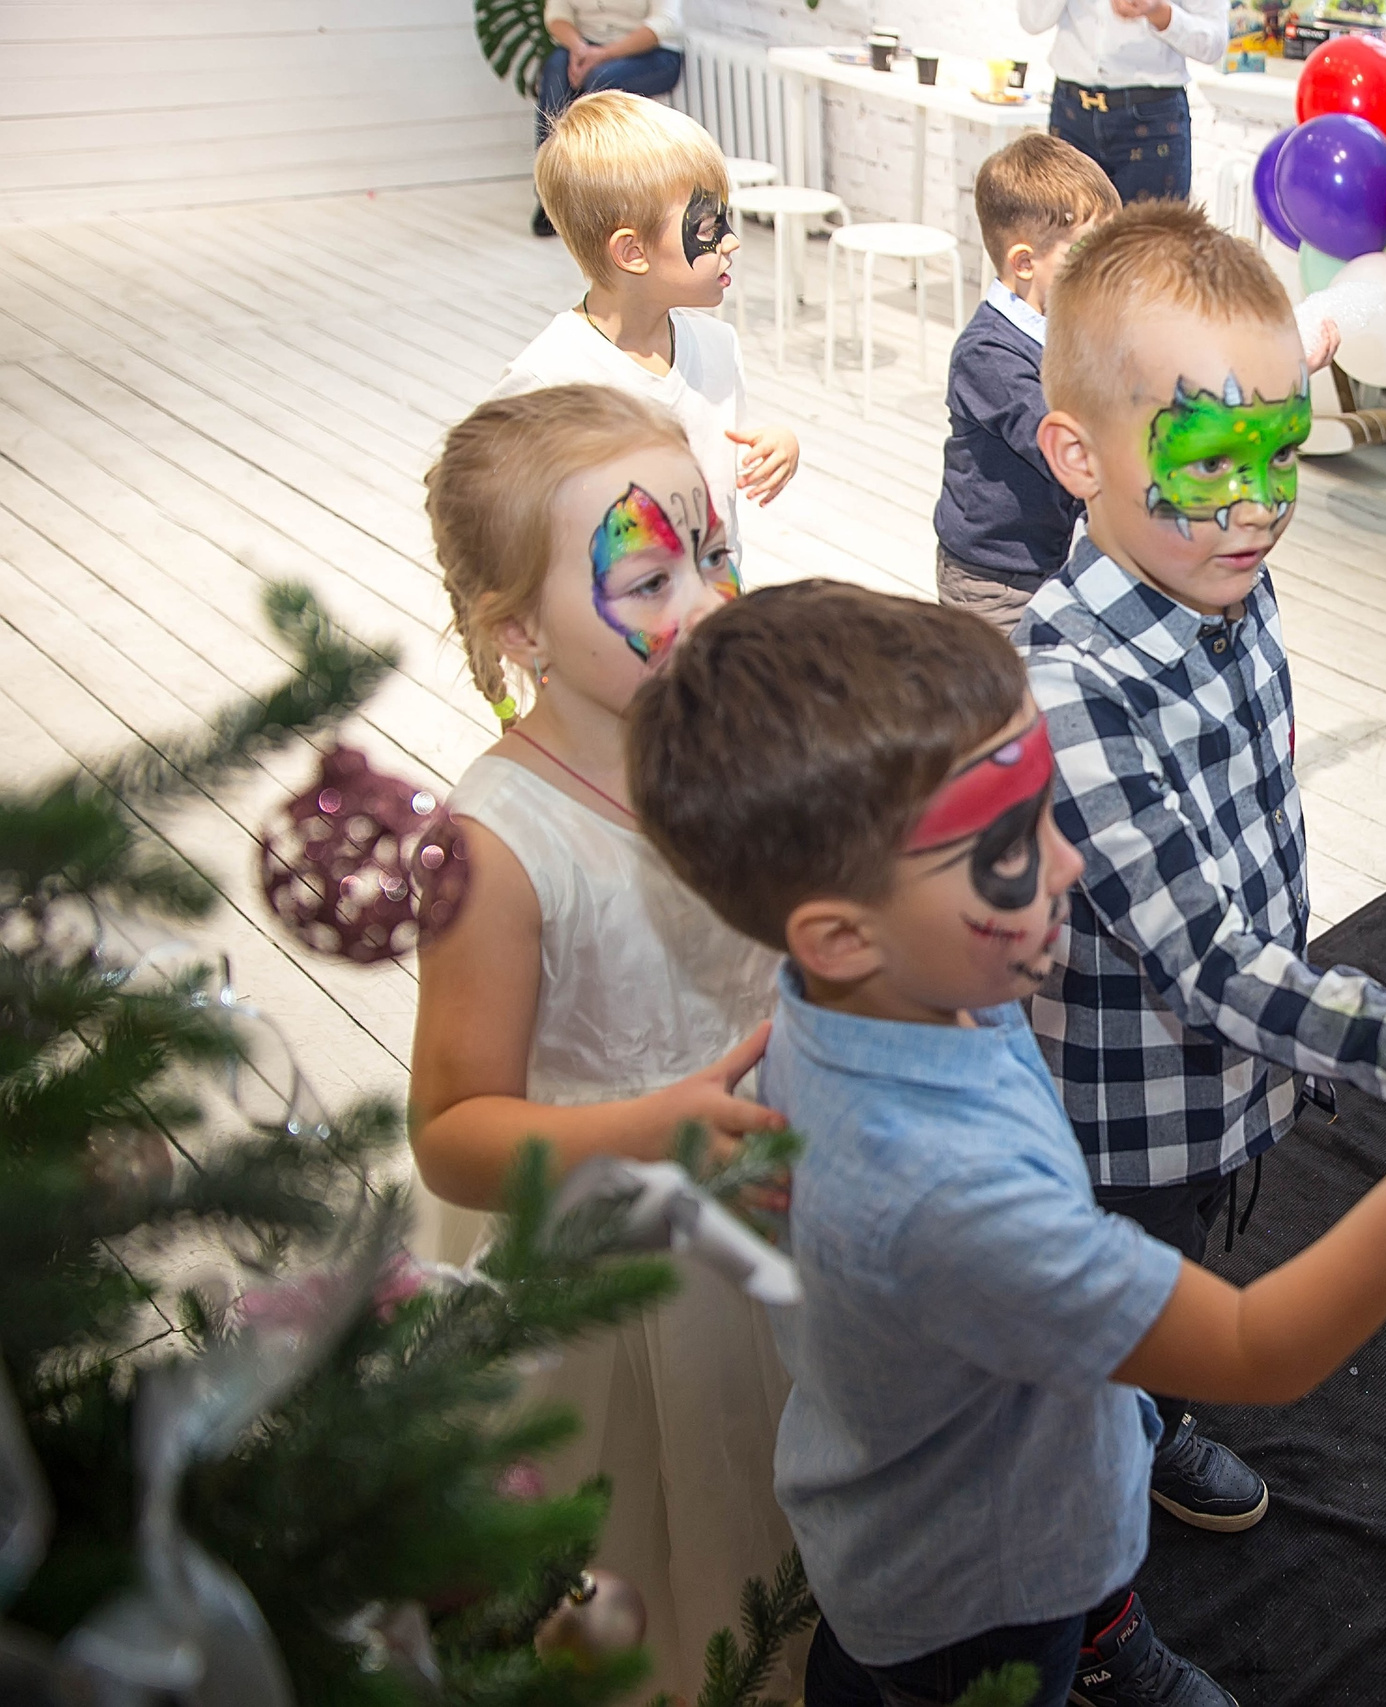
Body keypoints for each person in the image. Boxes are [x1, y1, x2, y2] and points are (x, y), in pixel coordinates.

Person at [622, 579, 1386, 1707]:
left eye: (1047, 810)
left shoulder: (884, 986)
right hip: (981, 1601)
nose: (1066, 864)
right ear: (840, 932)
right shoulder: (946, 1194)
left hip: (913, 1511)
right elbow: (1257, 1348)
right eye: (1006, 849)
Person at [1016, 201, 1386, 1529]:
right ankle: (1087, 1564)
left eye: (1277, 448)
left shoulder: (1224, 576)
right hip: (1121, 1124)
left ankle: (1157, 1414)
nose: (1256, 504)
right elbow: (1212, 965)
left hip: (1225, 1095)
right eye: (1206, 457)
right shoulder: (1063, 685)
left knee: (1181, 1282)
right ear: (1077, 454)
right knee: (1108, 1330)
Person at [411, 384, 798, 1701]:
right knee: (669, 1561)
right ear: (517, 626)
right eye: (646, 571)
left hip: (781, 1192)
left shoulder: (722, 740)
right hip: (622, 1265)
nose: (701, 596)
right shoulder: (496, 846)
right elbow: (455, 1133)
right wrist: (650, 1127)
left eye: (715, 549)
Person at [496, 91, 800, 543]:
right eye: (707, 229)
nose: (731, 242)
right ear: (632, 252)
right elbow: (486, 505)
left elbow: (715, 461)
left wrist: (776, 443)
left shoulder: (717, 346)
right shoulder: (549, 379)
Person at [933, 135, 1122, 633]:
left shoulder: (1071, 326)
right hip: (995, 579)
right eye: (1085, 251)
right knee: (1010, 698)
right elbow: (1057, 442)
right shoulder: (989, 355)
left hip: (1052, 559)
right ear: (1023, 263)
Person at [1018, 0, 1224, 205]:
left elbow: (1213, 44)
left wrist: (1159, 12)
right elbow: (1032, 21)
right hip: (1071, 112)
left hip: (1152, 120)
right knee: (1063, 230)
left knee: (1152, 234)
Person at [532, 0, 687, 232]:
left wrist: (603, 55)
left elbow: (664, 23)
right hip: (585, 46)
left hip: (652, 53)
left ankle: (601, 198)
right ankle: (553, 195)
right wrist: (579, 49)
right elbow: (557, 15)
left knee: (600, 81)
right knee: (556, 71)